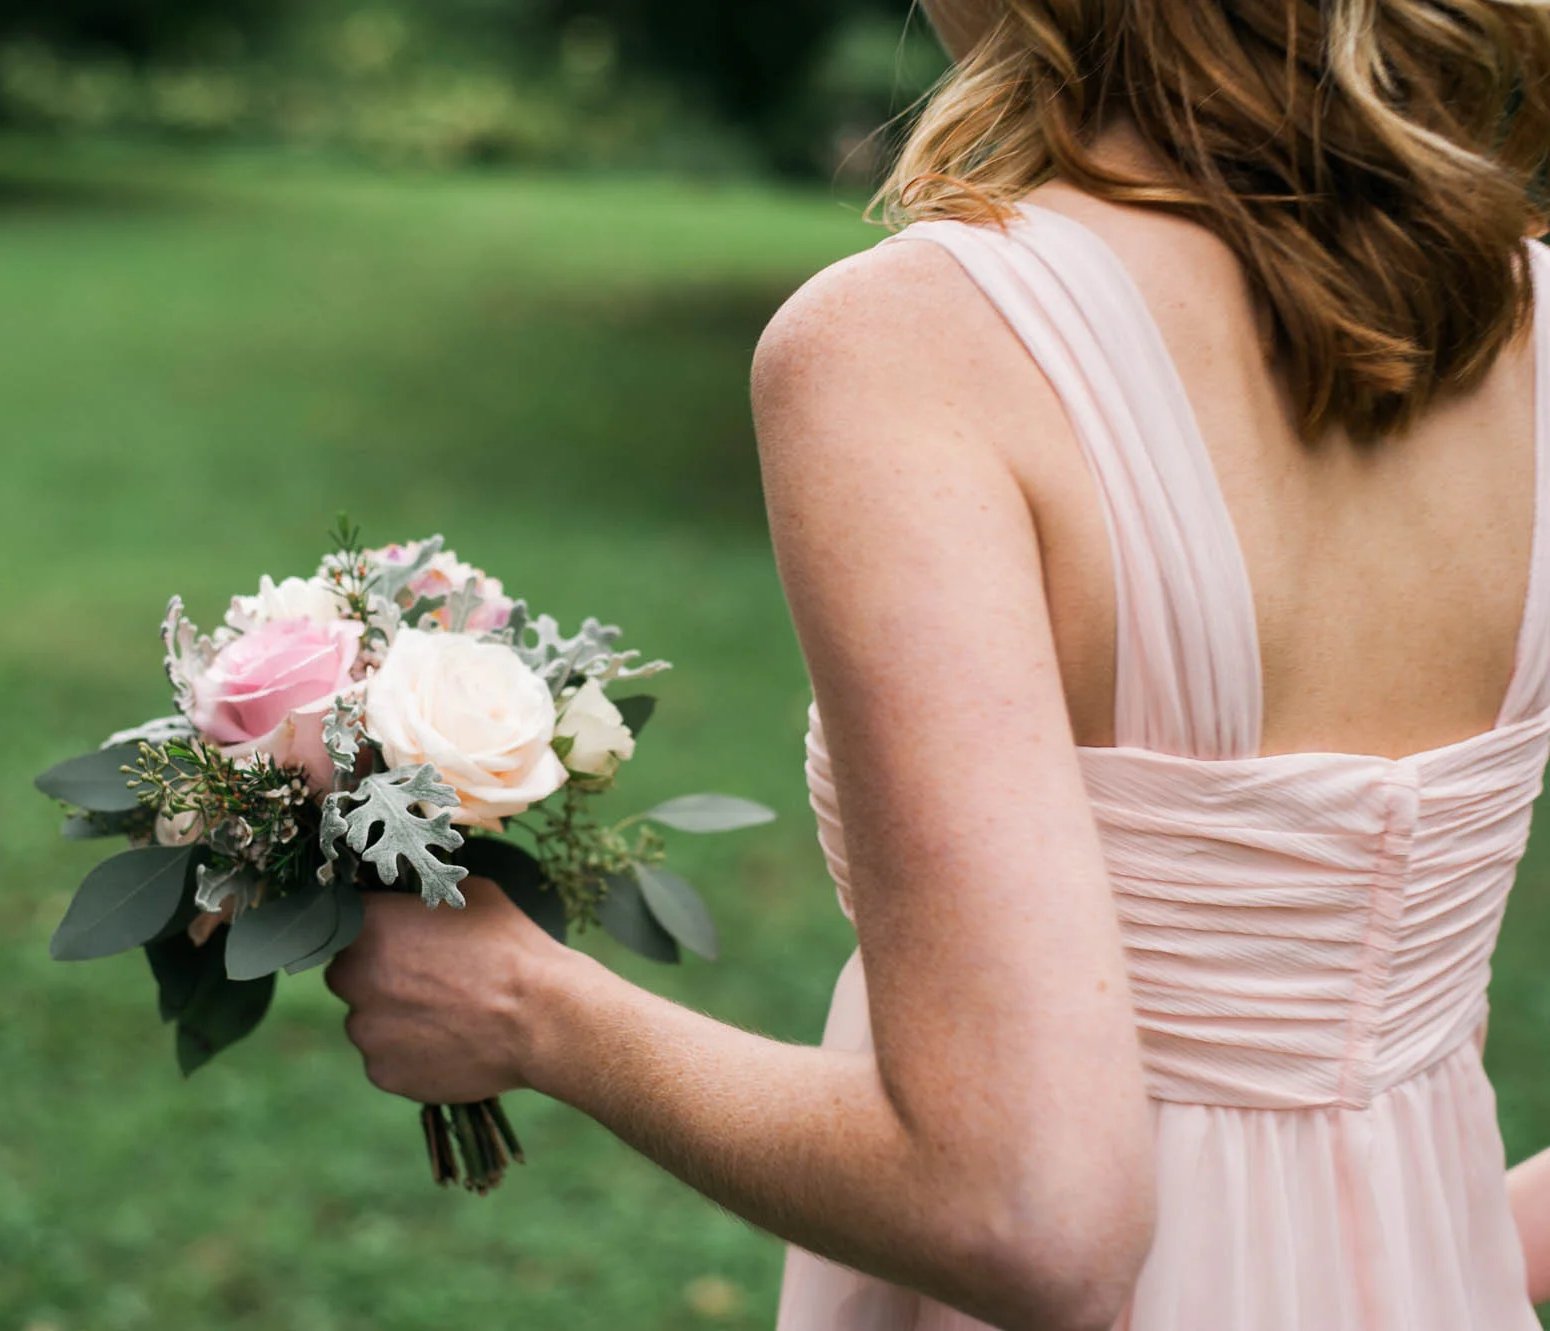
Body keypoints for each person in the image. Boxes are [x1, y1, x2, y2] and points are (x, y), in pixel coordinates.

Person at [322, 0, 1550, 1325]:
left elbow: (1028, 1213)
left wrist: (524, 1005)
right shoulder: (1525, 319)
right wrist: (1439, 1247)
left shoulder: (920, 348)